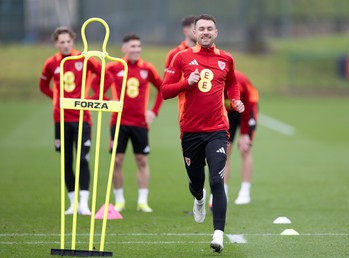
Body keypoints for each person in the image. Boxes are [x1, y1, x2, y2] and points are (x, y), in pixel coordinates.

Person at [161, 14, 245, 254]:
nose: (206, 32)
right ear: (194, 33)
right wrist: (186, 82)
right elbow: (165, 91)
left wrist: (236, 100)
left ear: (216, 33)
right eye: (202, 29)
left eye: (210, 28)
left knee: (217, 180)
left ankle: (218, 234)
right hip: (190, 131)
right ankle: (198, 198)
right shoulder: (181, 58)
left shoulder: (226, 59)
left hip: (218, 129)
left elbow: (232, 84)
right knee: (197, 183)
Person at [39, 27, 112, 216]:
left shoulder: (83, 58)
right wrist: (57, 99)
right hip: (61, 118)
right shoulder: (50, 63)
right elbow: (43, 86)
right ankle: (72, 203)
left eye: (68, 41)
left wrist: (94, 97)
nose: (65, 45)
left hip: (82, 118)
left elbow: (107, 76)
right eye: (61, 42)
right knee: (67, 161)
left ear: (73, 41)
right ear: (56, 43)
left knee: (83, 159)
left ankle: (84, 203)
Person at [104, 33, 163, 213]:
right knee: (117, 160)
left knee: (141, 160)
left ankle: (142, 201)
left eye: (138, 46)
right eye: (132, 46)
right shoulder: (114, 67)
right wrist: (108, 104)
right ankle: (119, 201)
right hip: (118, 122)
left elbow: (163, 88)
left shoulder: (147, 68)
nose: (136, 49)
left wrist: (153, 111)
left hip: (140, 123)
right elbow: (98, 89)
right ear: (124, 49)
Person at [209, 70, 259, 207]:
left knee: (245, 148)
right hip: (227, 112)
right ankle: (222, 192)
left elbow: (248, 106)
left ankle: (245, 191)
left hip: (247, 109)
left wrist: (244, 134)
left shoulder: (240, 82)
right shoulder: (212, 82)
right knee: (223, 151)